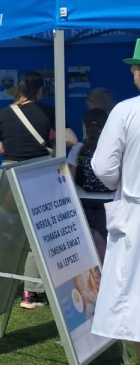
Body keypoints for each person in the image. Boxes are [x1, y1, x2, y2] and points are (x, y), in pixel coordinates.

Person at [0, 70, 74, 308]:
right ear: (40, 90)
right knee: (39, 234)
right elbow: (72, 139)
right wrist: (48, 142)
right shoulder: (49, 111)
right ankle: (31, 292)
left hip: (8, 175)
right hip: (37, 175)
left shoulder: (2, 114)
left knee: (9, 231)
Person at [89, 45, 140, 365]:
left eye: (135, 67)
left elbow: (104, 167)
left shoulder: (126, 110)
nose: (132, 74)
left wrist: (122, 181)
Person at [67, 108, 115, 262]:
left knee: (83, 238)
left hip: (83, 199)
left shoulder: (77, 148)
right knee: (103, 238)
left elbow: (71, 177)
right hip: (107, 200)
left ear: (85, 126)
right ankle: (104, 274)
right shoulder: (112, 148)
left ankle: (87, 274)